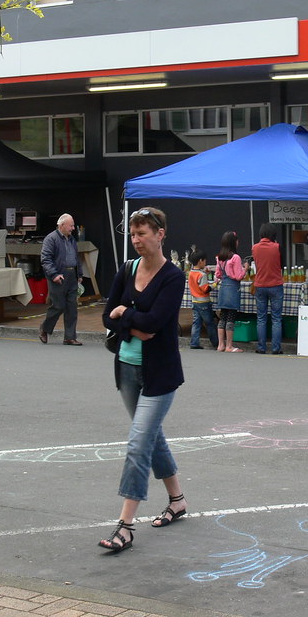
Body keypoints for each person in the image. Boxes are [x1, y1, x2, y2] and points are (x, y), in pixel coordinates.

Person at [98, 206, 187, 554]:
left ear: (160, 234)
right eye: (132, 234)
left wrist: (127, 316)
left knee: (138, 443)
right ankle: (177, 500)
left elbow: (157, 321)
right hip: (126, 368)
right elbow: (108, 314)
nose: (136, 240)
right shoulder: (126, 270)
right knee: (151, 437)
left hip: (160, 374)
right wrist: (130, 322)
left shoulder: (173, 276)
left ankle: (125, 526)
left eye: (142, 233)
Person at [39, 213, 84, 346]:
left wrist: (79, 274)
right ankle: (44, 328)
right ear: (62, 225)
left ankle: (69, 337)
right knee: (58, 306)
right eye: (70, 225)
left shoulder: (72, 239)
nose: (73, 228)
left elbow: (76, 258)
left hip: (71, 275)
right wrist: (54, 275)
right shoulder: (51, 239)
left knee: (72, 307)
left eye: (73, 225)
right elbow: (45, 259)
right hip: (58, 276)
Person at [252, 223, 284, 355]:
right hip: (275, 284)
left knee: (261, 318)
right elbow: (282, 264)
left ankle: (261, 347)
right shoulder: (277, 247)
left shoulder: (255, 248)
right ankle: (276, 348)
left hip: (260, 284)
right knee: (276, 318)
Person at [215, 230, 246, 352]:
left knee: (223, 316)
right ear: (233, 243)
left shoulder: (220, 258)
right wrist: (245, 269)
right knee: (231, 317)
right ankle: (229, 345)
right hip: (232, 289)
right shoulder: (235, 257)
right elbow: (238, 276)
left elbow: (218, 274)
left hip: (223, 288)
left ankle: (220, 345)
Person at [187, 250, 215, 350]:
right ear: (200, 261)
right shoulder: (201, 275)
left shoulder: (191, 273)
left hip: (195, 301)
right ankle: (216, 343)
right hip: (203, 302)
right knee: (210, 323)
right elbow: (205, 289)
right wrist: (215, 284)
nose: (205, 262)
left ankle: (194, 342)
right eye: (204, 261)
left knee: (196, 322)